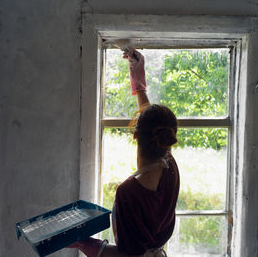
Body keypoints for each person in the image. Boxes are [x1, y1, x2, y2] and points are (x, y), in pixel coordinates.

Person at [70, 48, 180, 257]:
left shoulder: (129, 193)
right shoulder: (170, 167)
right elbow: (152, 119)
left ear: (135, 136)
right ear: (168, 139)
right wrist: (138, 81)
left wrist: (85, 244)